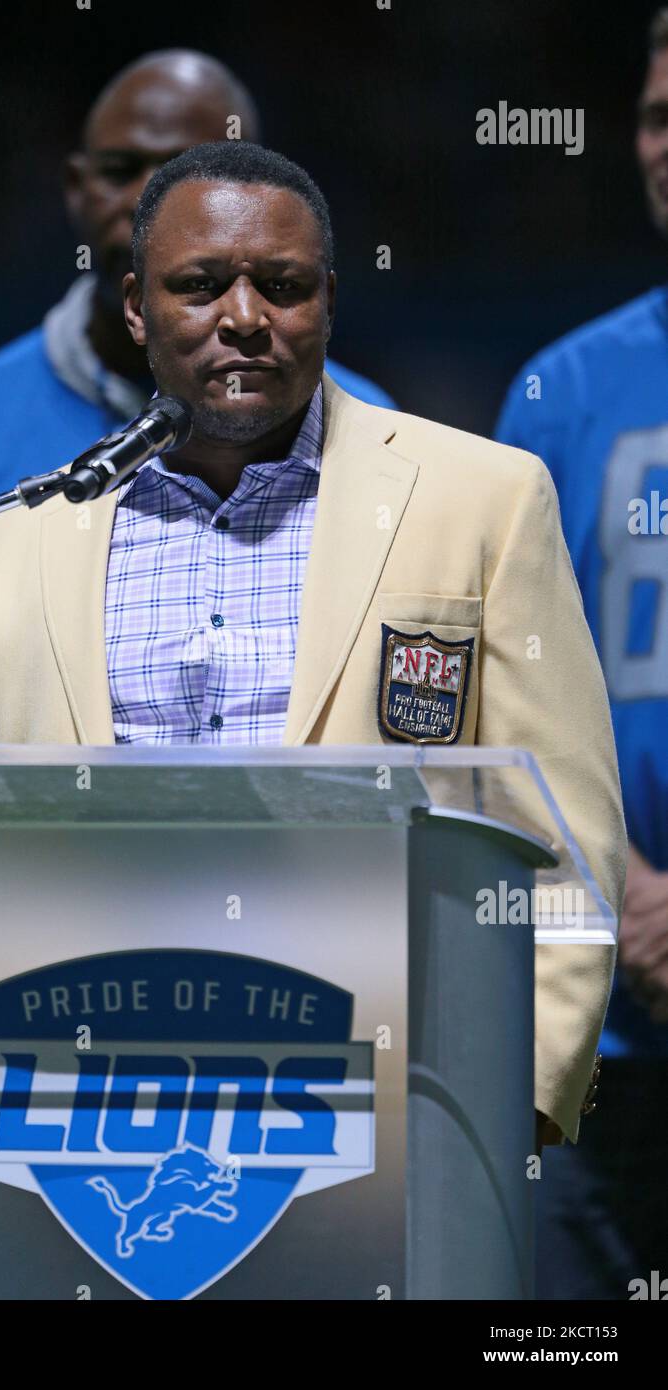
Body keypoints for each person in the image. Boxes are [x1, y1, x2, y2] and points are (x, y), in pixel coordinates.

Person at [0, 139, 625, 1151]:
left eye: (282, 285)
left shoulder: (483, 500)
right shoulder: (6, 549)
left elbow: (557, 831)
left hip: (399, 1100)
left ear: (328, 302)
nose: (244, 317)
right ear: (135, 308)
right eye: (200, 285)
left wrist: (514, 1094)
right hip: (90, 1116)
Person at [0, 50, 394, 744]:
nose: (148, 201)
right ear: (74, 188)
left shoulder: (371, 435)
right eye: (121, 170)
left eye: (193, 168)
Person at [494, 9, 668, 1299]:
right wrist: (628, 893)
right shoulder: (560, 387)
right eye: (660, 119)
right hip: (594, 1028)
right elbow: (491, 700)